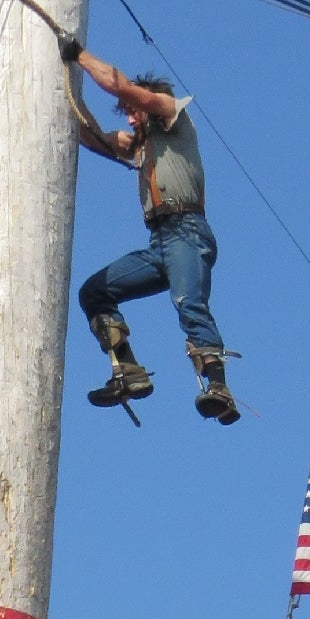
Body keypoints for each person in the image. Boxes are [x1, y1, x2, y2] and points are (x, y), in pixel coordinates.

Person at [61, 37, 237, 425]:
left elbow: (119, 85)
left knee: (188, 301)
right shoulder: (142, 147)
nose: (128, 119)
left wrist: (78, 56)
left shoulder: (171, 113)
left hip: (187, 231)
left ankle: (219, 388)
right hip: (160, 242)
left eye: (131, 112)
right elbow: (90, 136)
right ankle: (128, 370)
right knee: (95, 291)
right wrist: (65, 91)